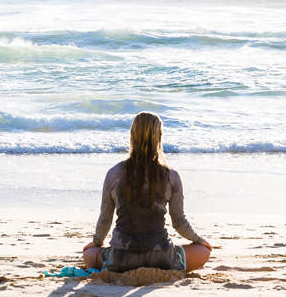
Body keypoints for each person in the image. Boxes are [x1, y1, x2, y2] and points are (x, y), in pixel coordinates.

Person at [83, 112, 213, 272]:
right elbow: (179, 222)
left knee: (88, 253)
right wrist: (199, 240)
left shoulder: (114, 173)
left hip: (121, 258)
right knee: (203, 251)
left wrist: (96, 242)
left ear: (132, 135)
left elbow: (105, 220)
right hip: (161, 256)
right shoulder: (171, 176)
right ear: (159, 136)